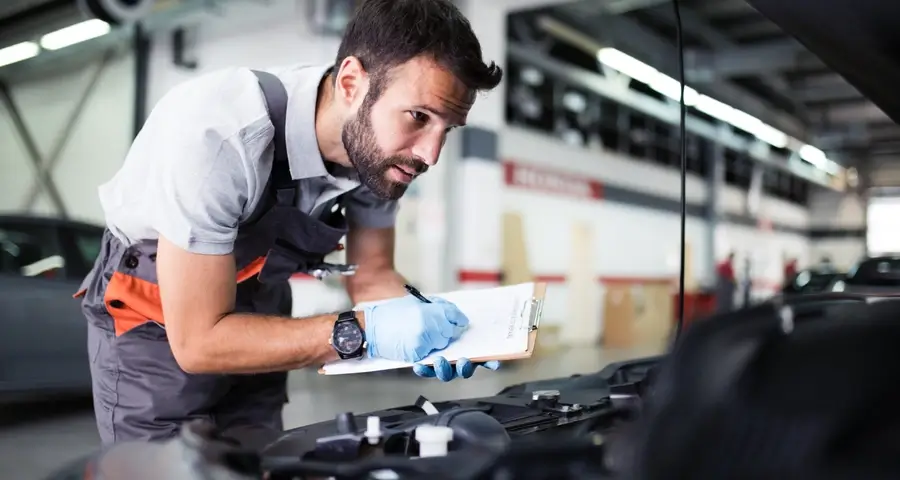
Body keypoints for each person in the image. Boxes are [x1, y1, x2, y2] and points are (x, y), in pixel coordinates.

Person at [74, 0, 503, 446]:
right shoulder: (218, 136)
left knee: (261, 463)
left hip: (262, 312)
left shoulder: (381, 156)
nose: (429, 154)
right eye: (419, 117)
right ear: (352, 82)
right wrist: (364, 332)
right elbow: (198, 341)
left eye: (447, 129)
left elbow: (373, 277)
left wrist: (432, 331)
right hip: (156, 325)